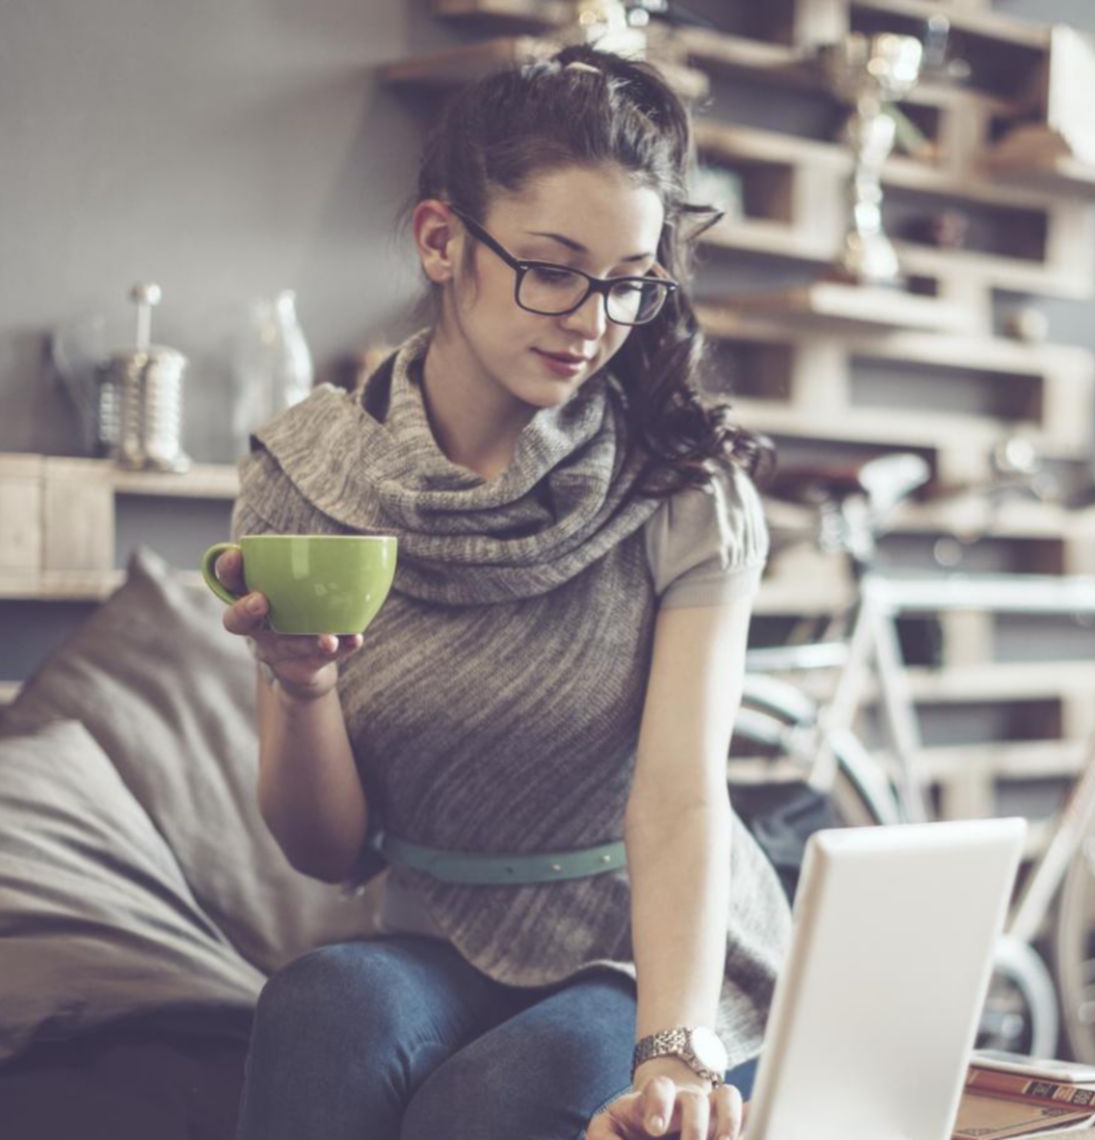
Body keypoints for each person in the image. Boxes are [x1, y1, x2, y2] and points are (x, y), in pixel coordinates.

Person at [211, 43, 791, 1140]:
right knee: (319, 1004)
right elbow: (330, 856)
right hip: (438, 931)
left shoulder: (679, 488)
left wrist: (673, 1054)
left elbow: (678, 797)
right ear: (442, 241)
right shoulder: (305, 482)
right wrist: (300, 692)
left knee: (499, 1099)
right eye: (553, 266)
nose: (591, 319)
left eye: (627, 281)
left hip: (649, 956)